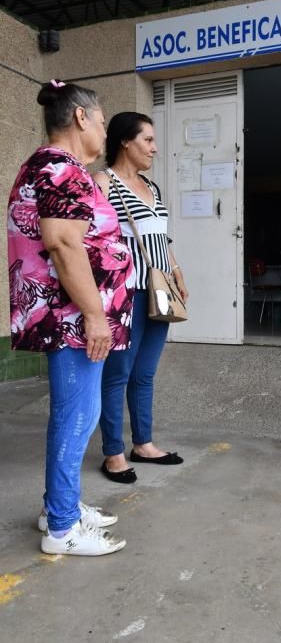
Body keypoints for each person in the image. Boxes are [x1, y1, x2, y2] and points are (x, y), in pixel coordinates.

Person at [8, 80, 135, 555]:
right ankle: (62, 528)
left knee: (77, 413)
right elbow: (63, 244)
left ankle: (57, 506)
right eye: (102, 121)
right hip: (74, 318)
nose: (104, 131)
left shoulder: (50, 167)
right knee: (77, 415)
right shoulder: (62, 169)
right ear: (81, 118)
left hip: (72, 316)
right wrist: (95, 315)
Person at [93, 112, 188, 484]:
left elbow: (160, 239)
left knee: (145, 373)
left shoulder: (153, 187)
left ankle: (143, 444)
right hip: (125, 292)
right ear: (125, 142)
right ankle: (113, 452)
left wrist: (177, 270)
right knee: (118, 374)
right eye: (147, 140)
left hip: (159, 290)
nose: (154, 148)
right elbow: (92, 239)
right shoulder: (104, 182)